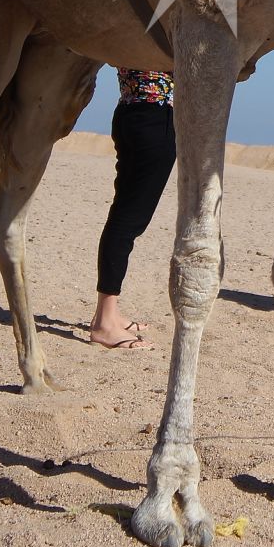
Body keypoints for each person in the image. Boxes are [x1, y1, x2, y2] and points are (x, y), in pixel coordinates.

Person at [89, 69, 177, 349]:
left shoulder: (132, 27)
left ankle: (110, 313)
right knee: (128, 221)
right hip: (155, 116)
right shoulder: (165, 27)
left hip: (130, 110)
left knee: (124, 216)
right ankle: (104, 322)